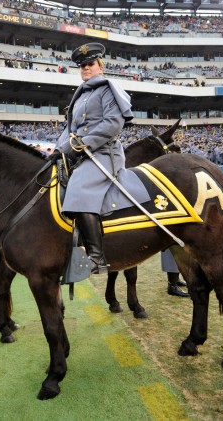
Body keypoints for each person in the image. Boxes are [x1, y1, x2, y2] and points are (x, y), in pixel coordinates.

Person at [53, 42, 134, 275]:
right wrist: (58, 150)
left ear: (100, 65)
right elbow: (69, 129)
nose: (86, 69)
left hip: (103, 154)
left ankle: (97, 257)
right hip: (81, 154)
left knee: (78, 186)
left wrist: (80, 145)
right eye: (82, 66)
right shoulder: (81, 95)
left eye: (90, 64)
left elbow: (113, 123)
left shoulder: (109, 89)